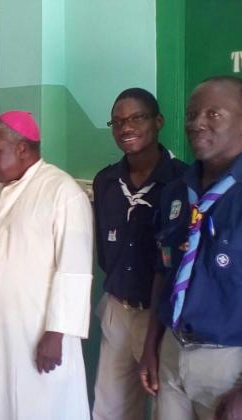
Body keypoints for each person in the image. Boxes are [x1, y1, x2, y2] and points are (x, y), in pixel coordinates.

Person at [0, 111, 94, 420]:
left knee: (35, 403)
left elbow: (73, 271)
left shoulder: (63, 193)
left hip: (34, 329)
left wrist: (56, 334)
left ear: (21, 148)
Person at [139, 76, 242, 419]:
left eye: (214, 114)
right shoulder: (176, 192)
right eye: (191, 114)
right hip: (172, 351)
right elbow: (164, 270)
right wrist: (151, 346)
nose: (197, 123)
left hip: (229, 363)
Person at [92, 88, 186, 420]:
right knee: (110, 407)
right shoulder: (106, 181)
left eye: (136, 118)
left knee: (165, 406)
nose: (126, 127)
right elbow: (104, 249)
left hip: (162, 317)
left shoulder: (182, 181)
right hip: (118, 308)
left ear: (158, 121)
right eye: (117, 121)